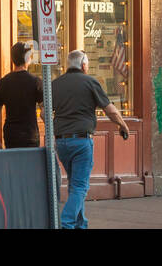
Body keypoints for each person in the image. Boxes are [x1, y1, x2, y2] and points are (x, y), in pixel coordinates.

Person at [52, 49, 130, 229]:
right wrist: (123, 125)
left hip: (61, 142)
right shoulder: (90, 82)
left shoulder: (56, 84)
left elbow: (44, 111)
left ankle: (81, 224)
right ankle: (67, 222)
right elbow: (110, 110)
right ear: (84, 65)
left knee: (74, 184)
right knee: (80, 186)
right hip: (81, 142)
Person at [0, 42, 43, 149]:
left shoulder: (2, 83)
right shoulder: (36, 82)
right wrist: (50, 136)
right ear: (28, 58)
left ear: (13, 59)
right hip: (30, 134)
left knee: (13, 165)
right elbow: (44, 112)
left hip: (11, 135)